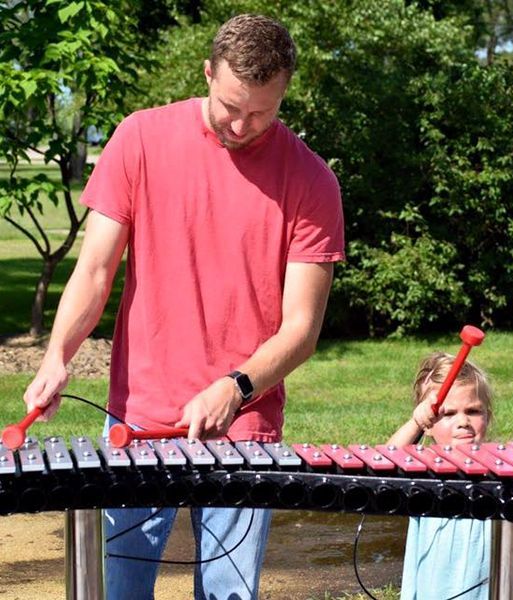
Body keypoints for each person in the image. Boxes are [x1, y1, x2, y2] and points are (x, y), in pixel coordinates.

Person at [23, 13, 345, 600]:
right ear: (207, 73)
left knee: (227, 594)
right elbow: (95, 272)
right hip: (135, 417)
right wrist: (56, 356)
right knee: (117, 590)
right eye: (231, 106)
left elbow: (301, 327)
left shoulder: (311, 180)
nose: (243, 126)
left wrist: (235, 387)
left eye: (262, 113)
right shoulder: (140, 138)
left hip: (246, 427)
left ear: (284, 95)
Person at [388, 352, 513, 600]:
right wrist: (414, 422)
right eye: (448, 414)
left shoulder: (506, 468)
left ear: (488, 416)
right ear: (428, 423)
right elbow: (383, 464)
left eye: (473, 411)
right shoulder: (421, 470)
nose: (463, 422)